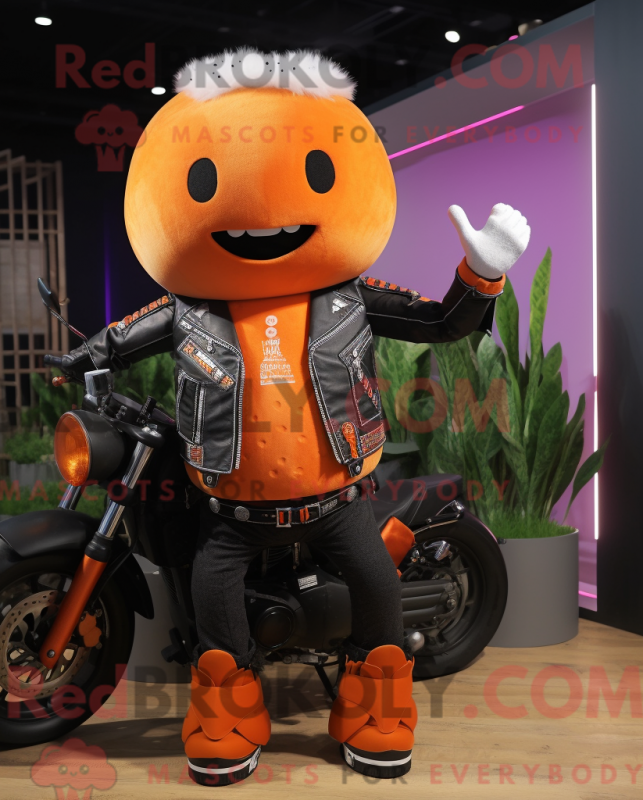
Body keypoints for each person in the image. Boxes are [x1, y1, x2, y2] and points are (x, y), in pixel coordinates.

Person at [62, 49, 531, 786]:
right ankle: (227, 717)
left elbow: (443, 324)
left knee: (378, 600)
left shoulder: (349, 297)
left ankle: (377, 711)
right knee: (216, 626)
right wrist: (79, 357)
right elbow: (121, 338)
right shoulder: (190, 308)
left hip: (339, 504)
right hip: (230, 514)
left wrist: (482, 275)